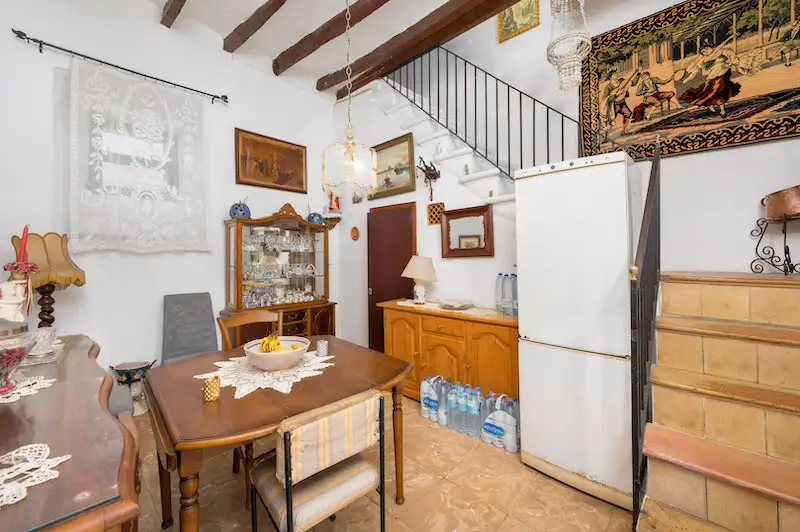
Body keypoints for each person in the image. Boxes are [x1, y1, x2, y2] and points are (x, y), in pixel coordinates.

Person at [677, 39, 745, 117]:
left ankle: (721, 109)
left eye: (707, 48)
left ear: (712, 48)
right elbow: (696, 70)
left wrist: (729, 62)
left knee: (720, 92)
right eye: (703, 50)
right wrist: (688, 78)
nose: (705, 50)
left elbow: (731, 55)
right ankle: (715, 107)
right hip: (712, 78)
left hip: (723, 75)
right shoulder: (703, 60)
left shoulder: (720, 52)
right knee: (713, 92)